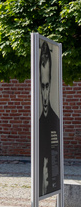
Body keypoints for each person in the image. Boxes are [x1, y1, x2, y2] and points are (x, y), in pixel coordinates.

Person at [39, 42, 60, 197]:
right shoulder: (39, 122)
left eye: (47, 86)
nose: (45, 93)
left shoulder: (54, 120)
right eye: (42, 86)